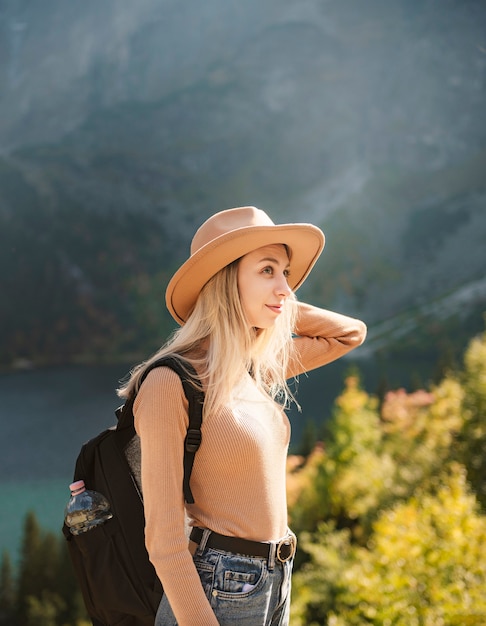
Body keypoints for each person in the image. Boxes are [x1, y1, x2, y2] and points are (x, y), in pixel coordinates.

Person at [118, 206, 367, 626]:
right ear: (225, 281)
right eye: (268, 270)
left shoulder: (251, 367)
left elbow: (350, 333)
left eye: (286, 273)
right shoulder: (171, 382)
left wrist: (274, 302)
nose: (286, 288)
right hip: (218, 589)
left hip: (277, 580)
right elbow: (163, 541)